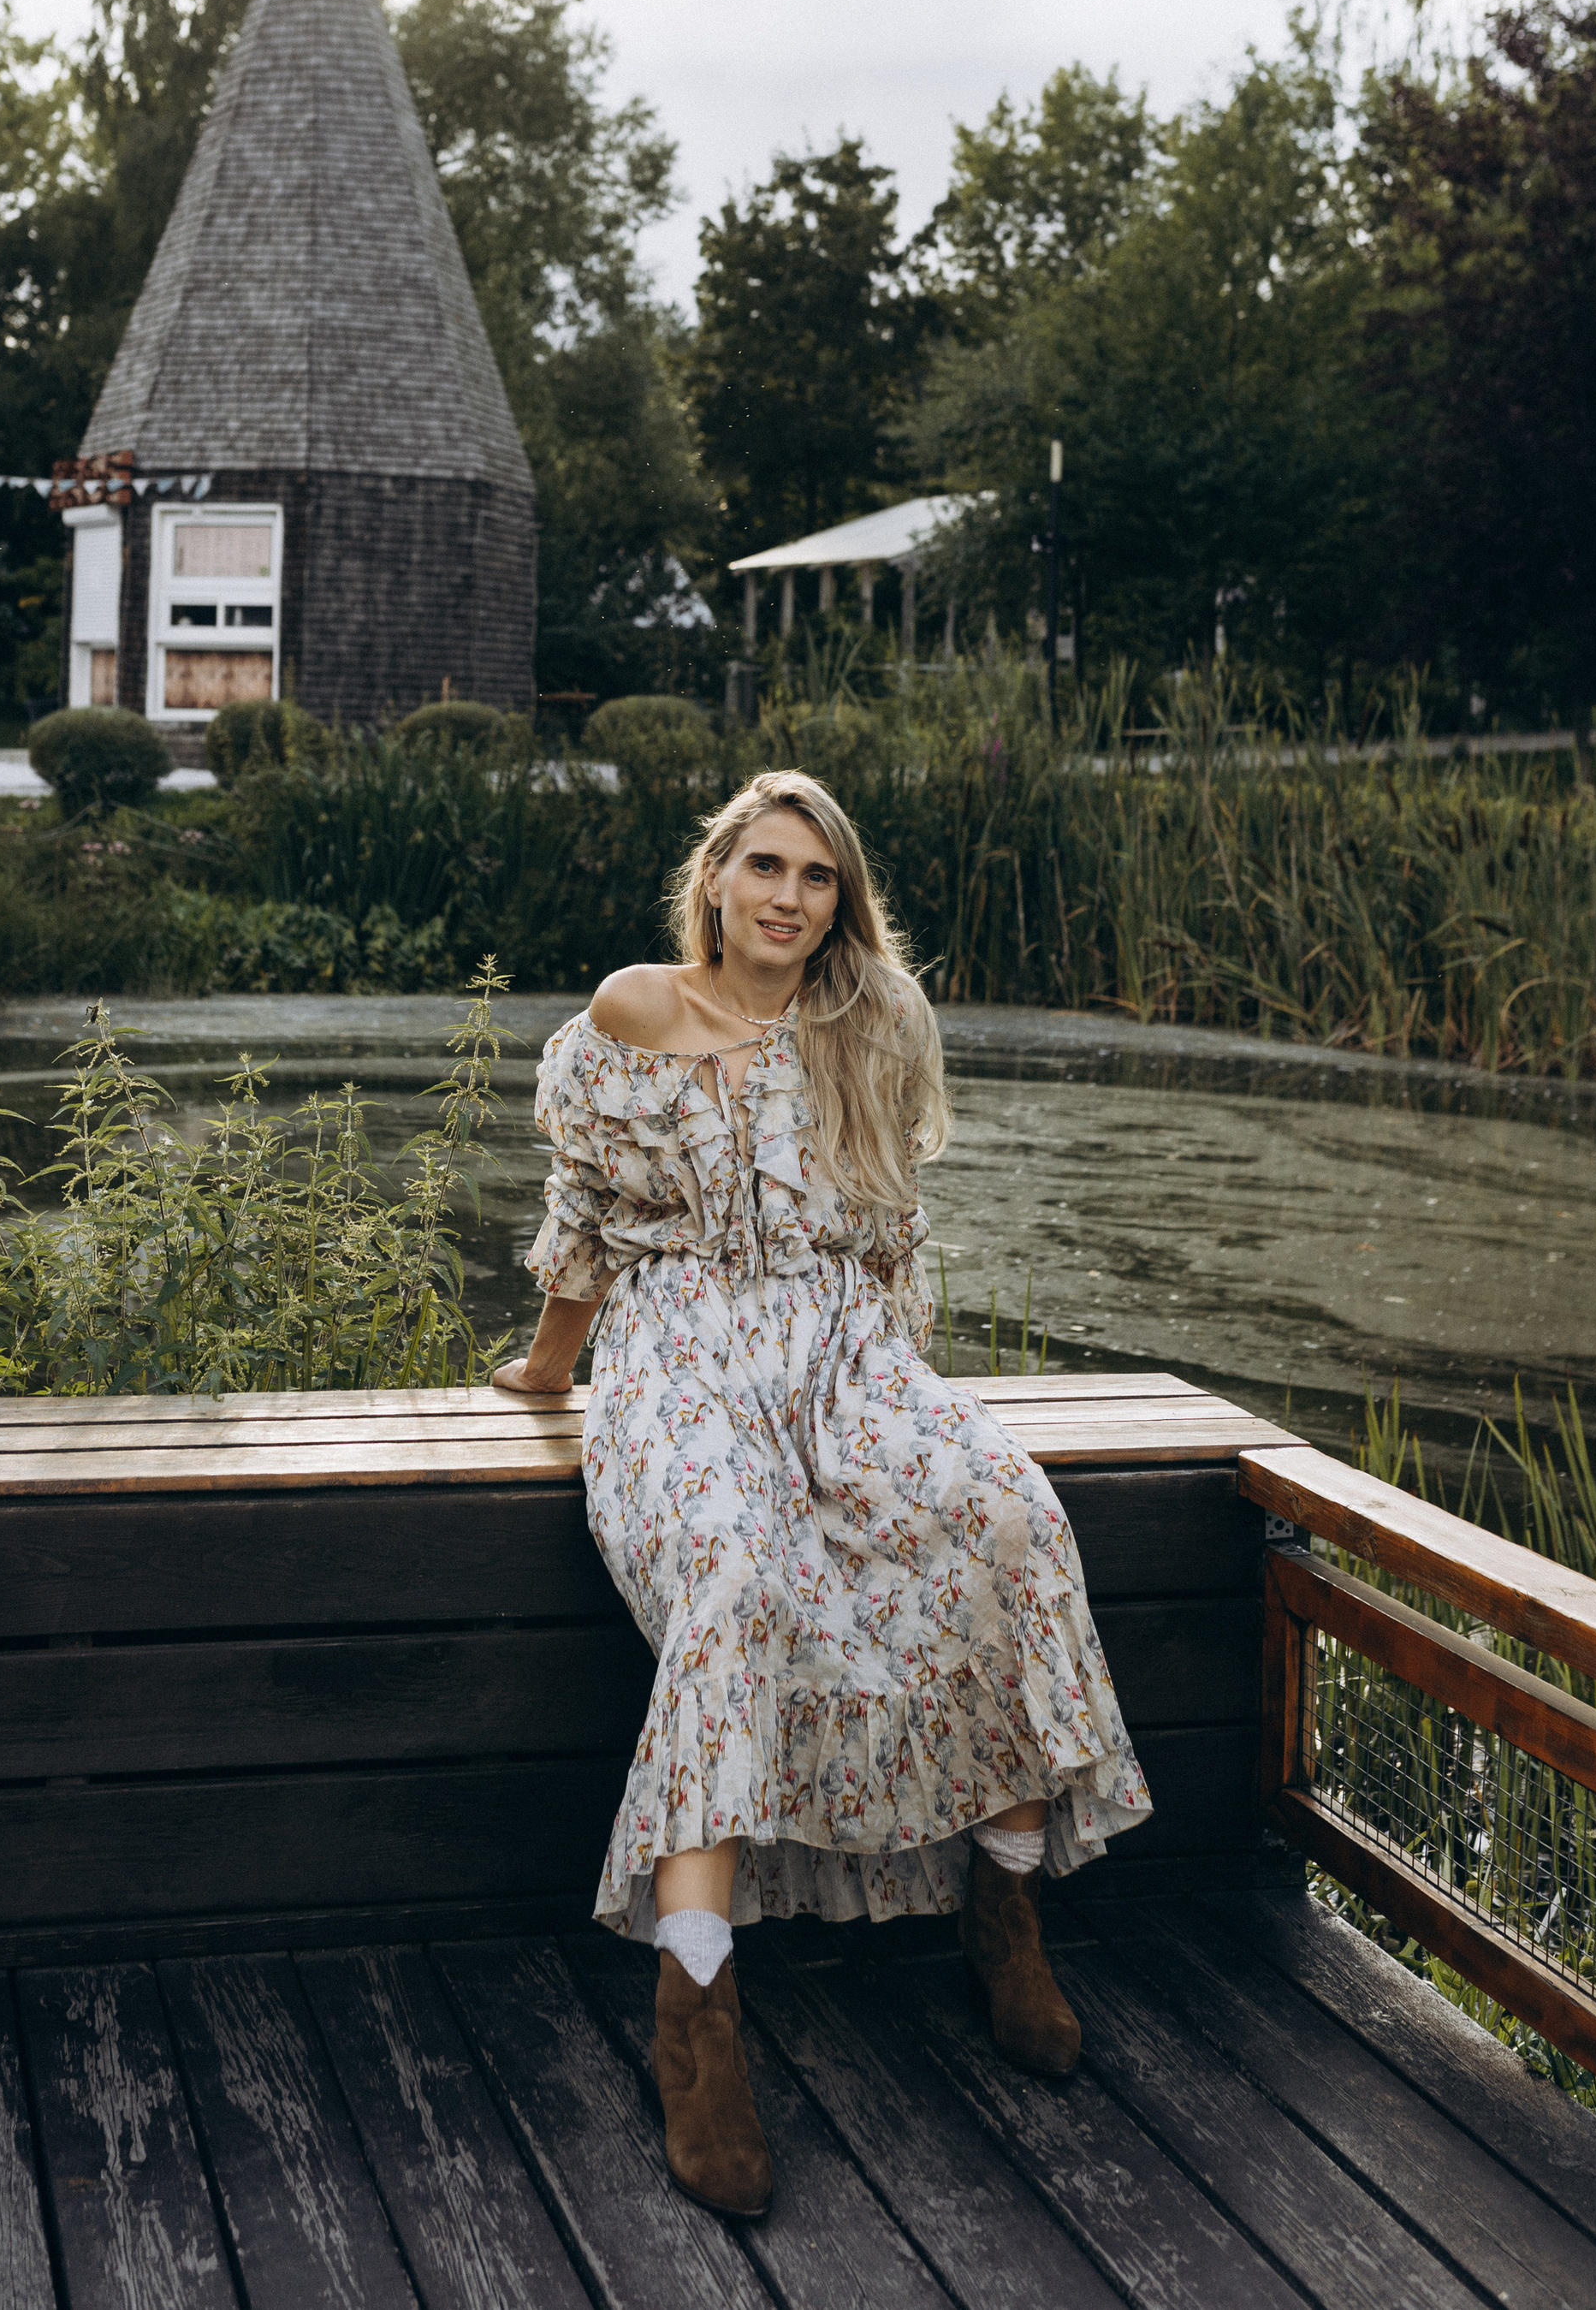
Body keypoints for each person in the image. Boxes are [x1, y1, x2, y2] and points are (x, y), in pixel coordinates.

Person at [492, 769, 1150, 2218]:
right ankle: (696, 2010)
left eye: (821, 877)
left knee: (1012, 1511)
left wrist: (886, 1422)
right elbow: (584, 1215)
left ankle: (1008, 1903)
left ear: (839, 898)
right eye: (768, 867)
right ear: (716, 874)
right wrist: (550, 1368)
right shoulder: (632, 1012)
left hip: (846, 1359)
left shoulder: (878, 1019)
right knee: (729, 1576)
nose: (792, 898)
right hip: (681, 1359)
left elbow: (895, 1236)